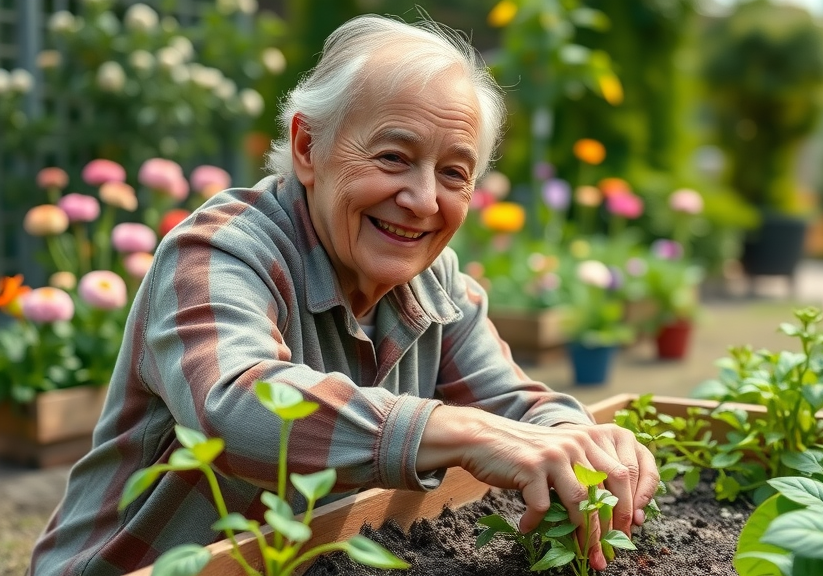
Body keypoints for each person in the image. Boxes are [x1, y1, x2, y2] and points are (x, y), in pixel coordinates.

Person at [31, 14, 658, 575]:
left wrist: (583, 440)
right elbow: (236, 403)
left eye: (453, 174)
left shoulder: (434, 281)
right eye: (393, 157)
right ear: (309, 147)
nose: (422, 200)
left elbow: (514, 404)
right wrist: (458, 431)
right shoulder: (218, 251)